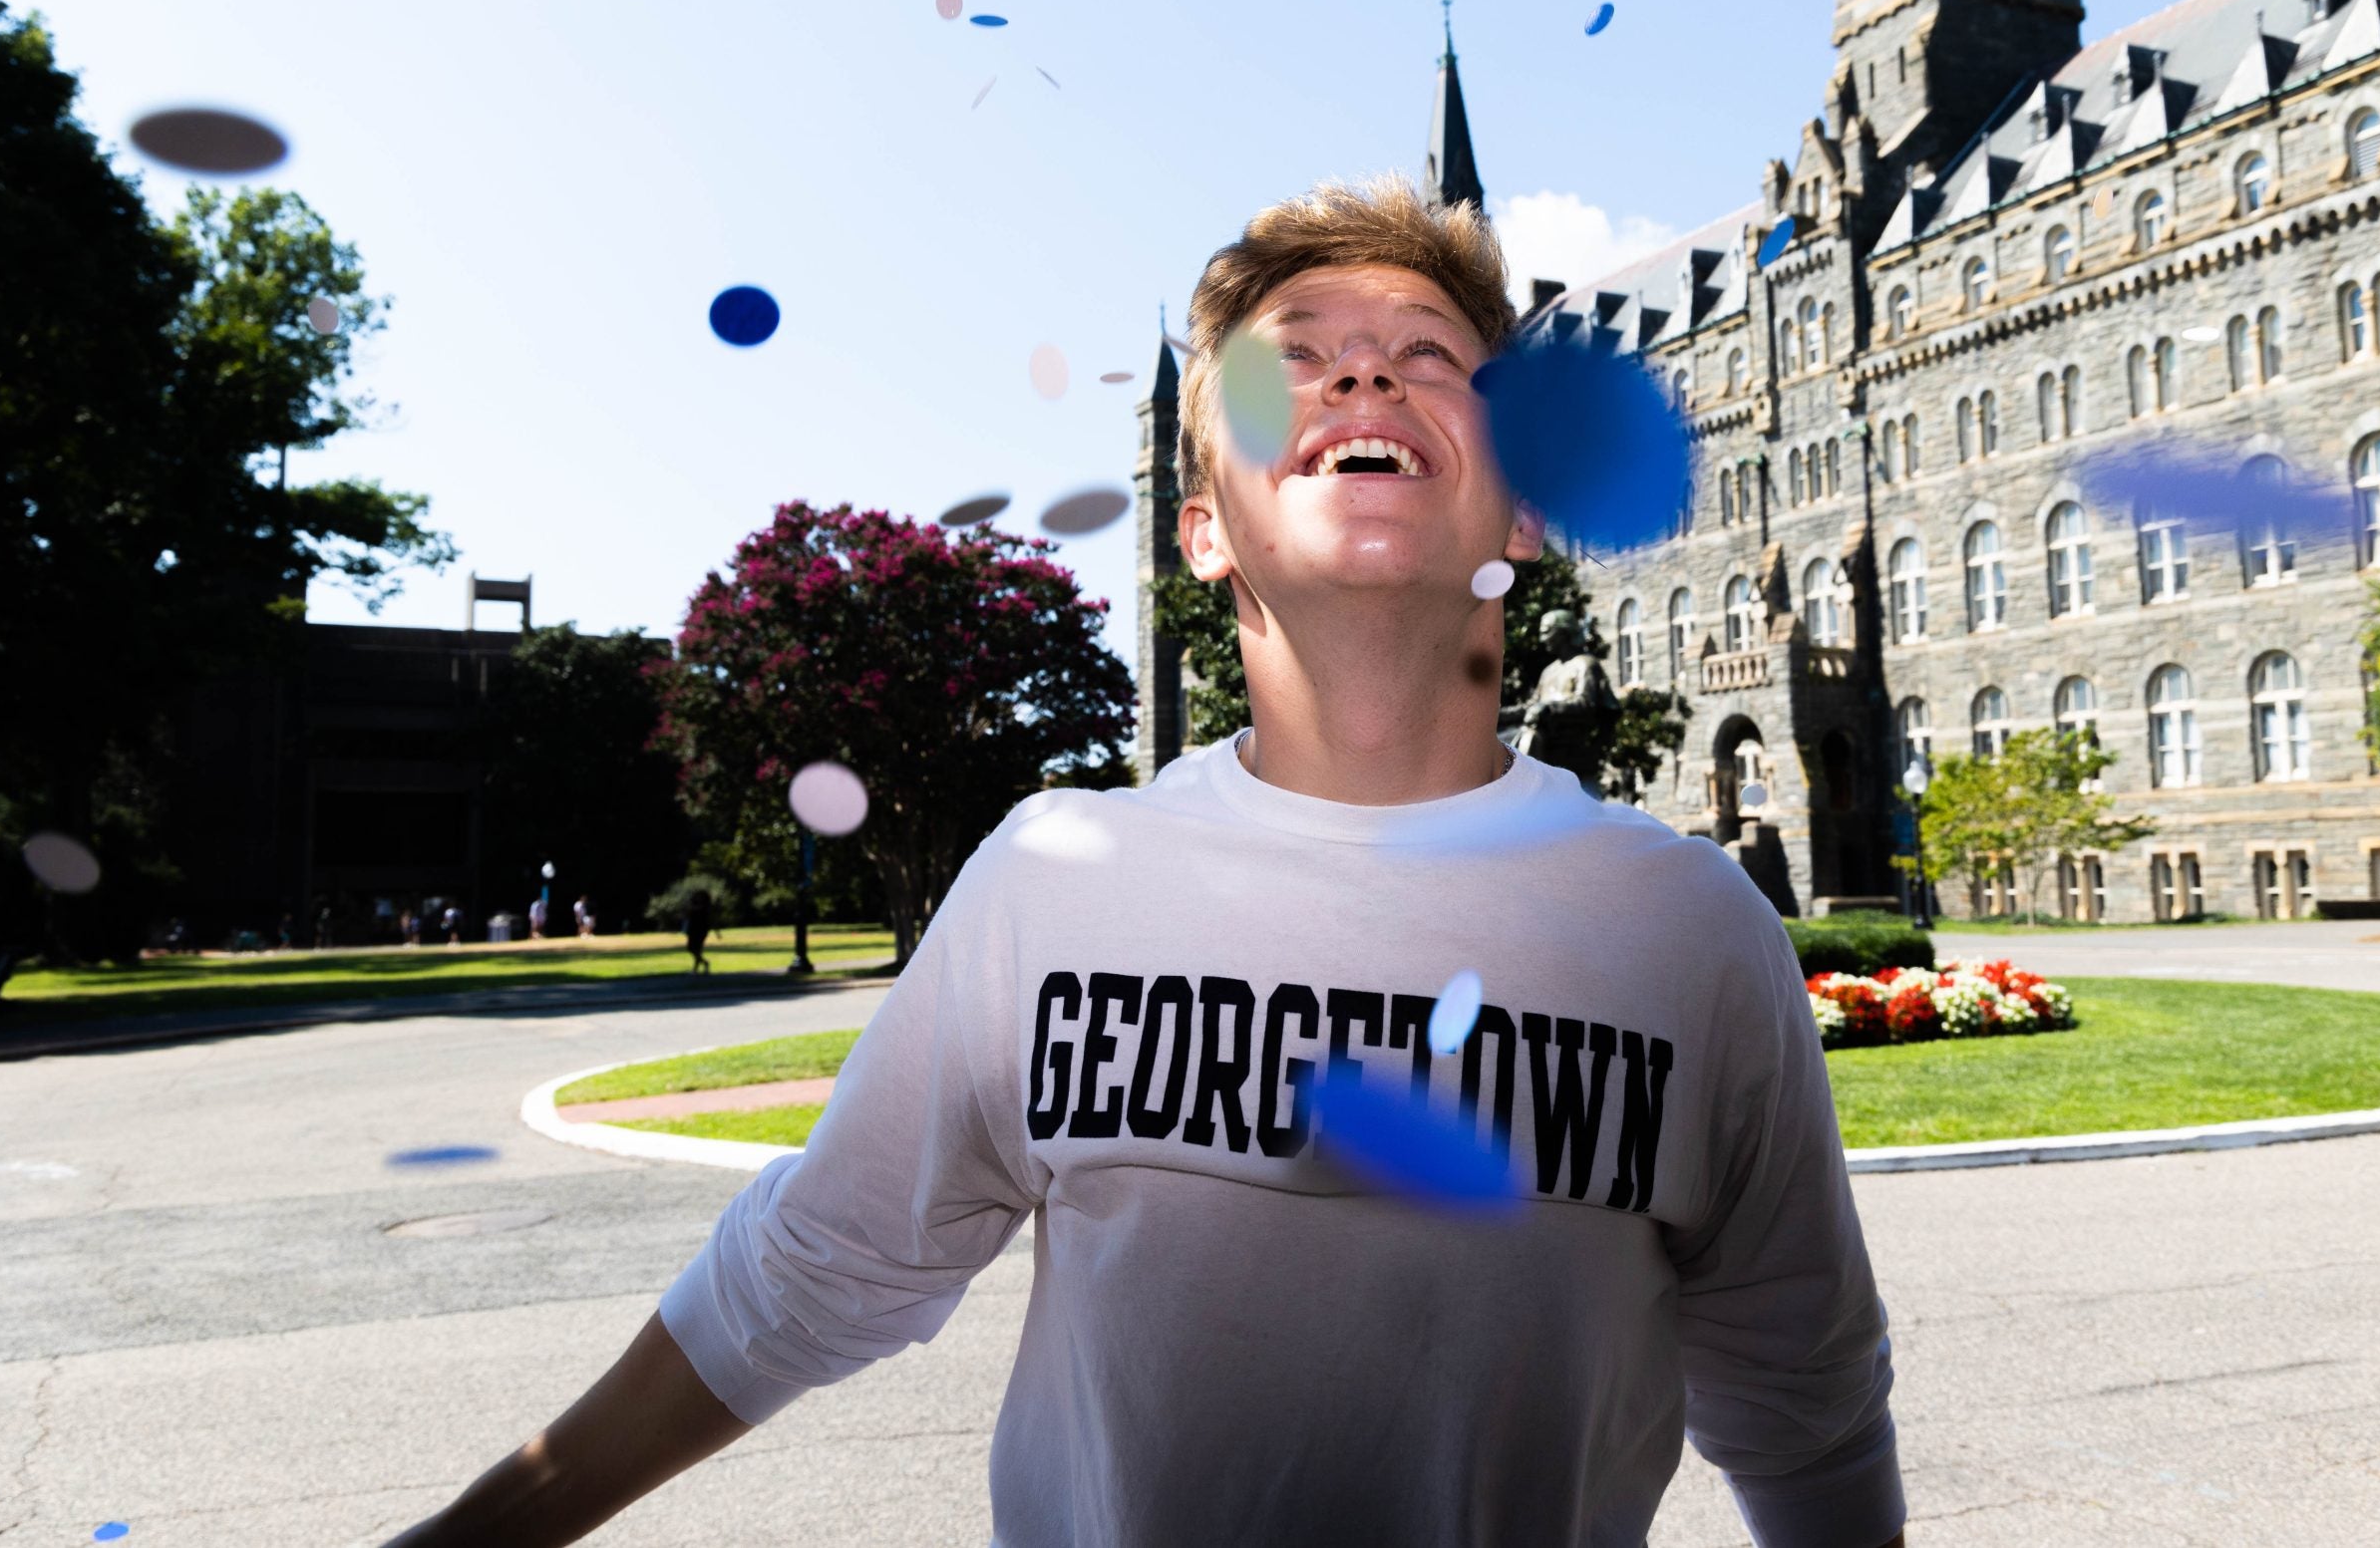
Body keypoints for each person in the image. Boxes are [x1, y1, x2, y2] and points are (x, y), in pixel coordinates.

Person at [384, 177, 1903, 1548]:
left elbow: (1808, 1410)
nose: (1363, 369)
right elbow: (807, 1271)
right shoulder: (1054, 877)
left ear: (1518, 509)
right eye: (1290, 361)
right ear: (1200, 530)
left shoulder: (1690, 933)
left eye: (1431, 355)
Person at [681, 889, 713, 976]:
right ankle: (703, 964)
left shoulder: (704, 907)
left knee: (696, 949)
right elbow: (686, 915)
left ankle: (696, 968)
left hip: (701, 930)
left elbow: (709, 920)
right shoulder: (693, 906)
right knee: (692, 948)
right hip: (693, 930)